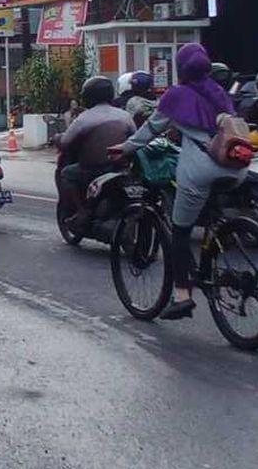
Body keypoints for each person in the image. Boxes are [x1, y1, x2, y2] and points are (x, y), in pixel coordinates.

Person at [110, 44, 245, 320]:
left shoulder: (176, 95)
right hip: (235, 169)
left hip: (200, 169)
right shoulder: (219, 92)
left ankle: (182, 295)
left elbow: (150, 129)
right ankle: (214, 253)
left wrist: (124, 148)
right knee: (208, 217)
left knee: (181, 233)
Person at [56, 76, 136, 231]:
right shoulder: (124, 115)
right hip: (120, 168)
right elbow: (135, 136)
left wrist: (56, 138)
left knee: (66, 173)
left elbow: (66, 142)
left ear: (88, 96)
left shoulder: (84, 119)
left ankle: (82, 211)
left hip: (95, 169)